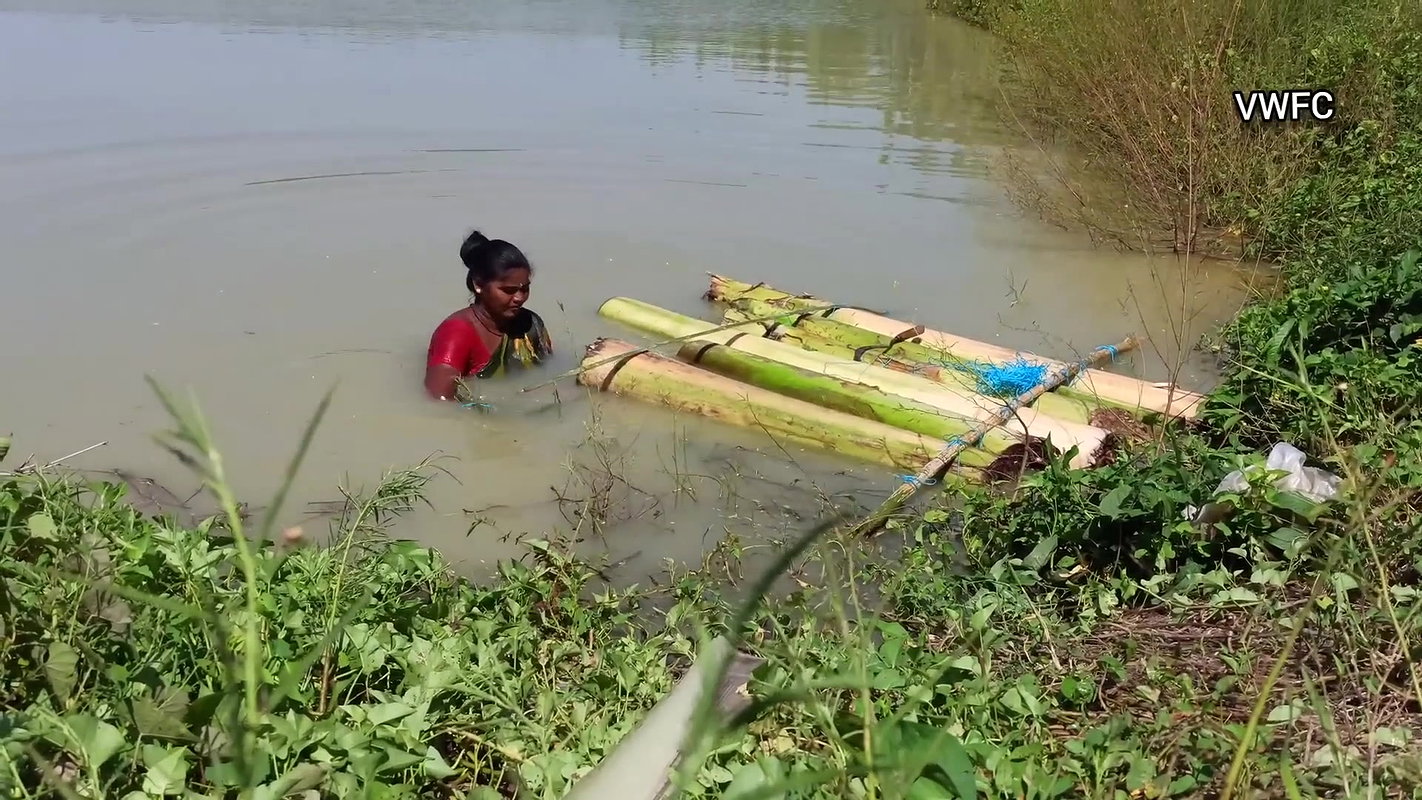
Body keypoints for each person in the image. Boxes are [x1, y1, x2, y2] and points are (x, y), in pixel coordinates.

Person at [424, 230, 553, 402]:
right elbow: (439, 399)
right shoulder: (456, 333)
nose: (520, 298)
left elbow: (550, 368)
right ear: (479, 284)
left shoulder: (530, 324)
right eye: (508, 290)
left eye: (525, 289)